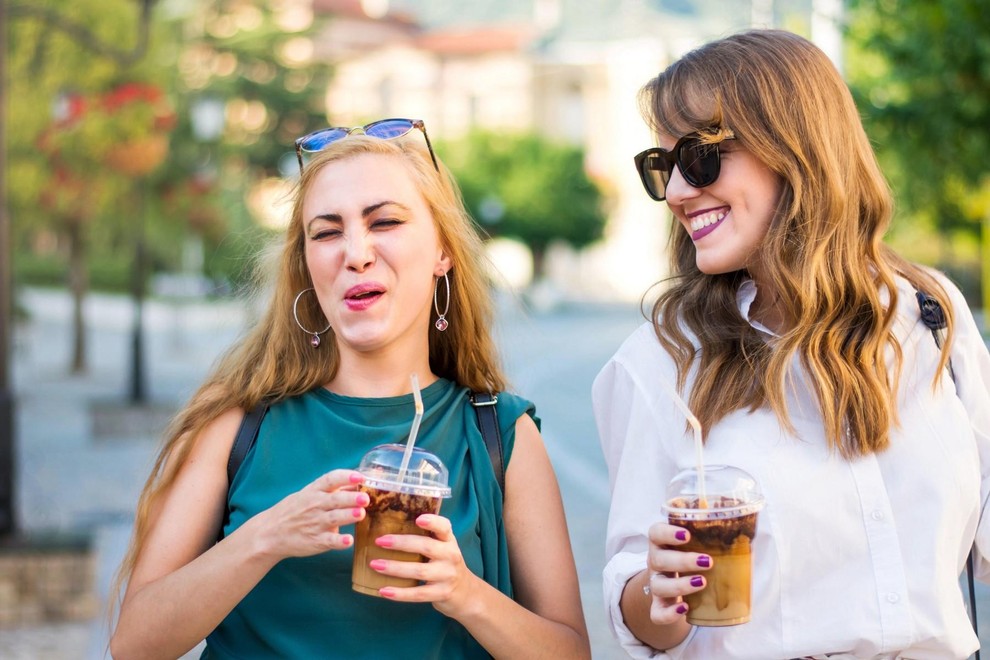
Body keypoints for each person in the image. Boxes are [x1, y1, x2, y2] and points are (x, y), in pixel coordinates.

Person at [109, 119, 590, 659]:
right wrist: (264, 538)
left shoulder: (501, 433)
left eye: (384, 221)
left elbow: (571, 651)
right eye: (328, 231)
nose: (355, 253)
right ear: (307, 264)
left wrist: (464, 593)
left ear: (443, 252)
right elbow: (135, 644)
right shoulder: (236, 424)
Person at [593, 29, 990, 659]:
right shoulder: (660, 362)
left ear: (794, 147)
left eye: (699, 157)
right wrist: (658, 589)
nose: (674, 192)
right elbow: (635, 606)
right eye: (662, 167)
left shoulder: (929, 311)